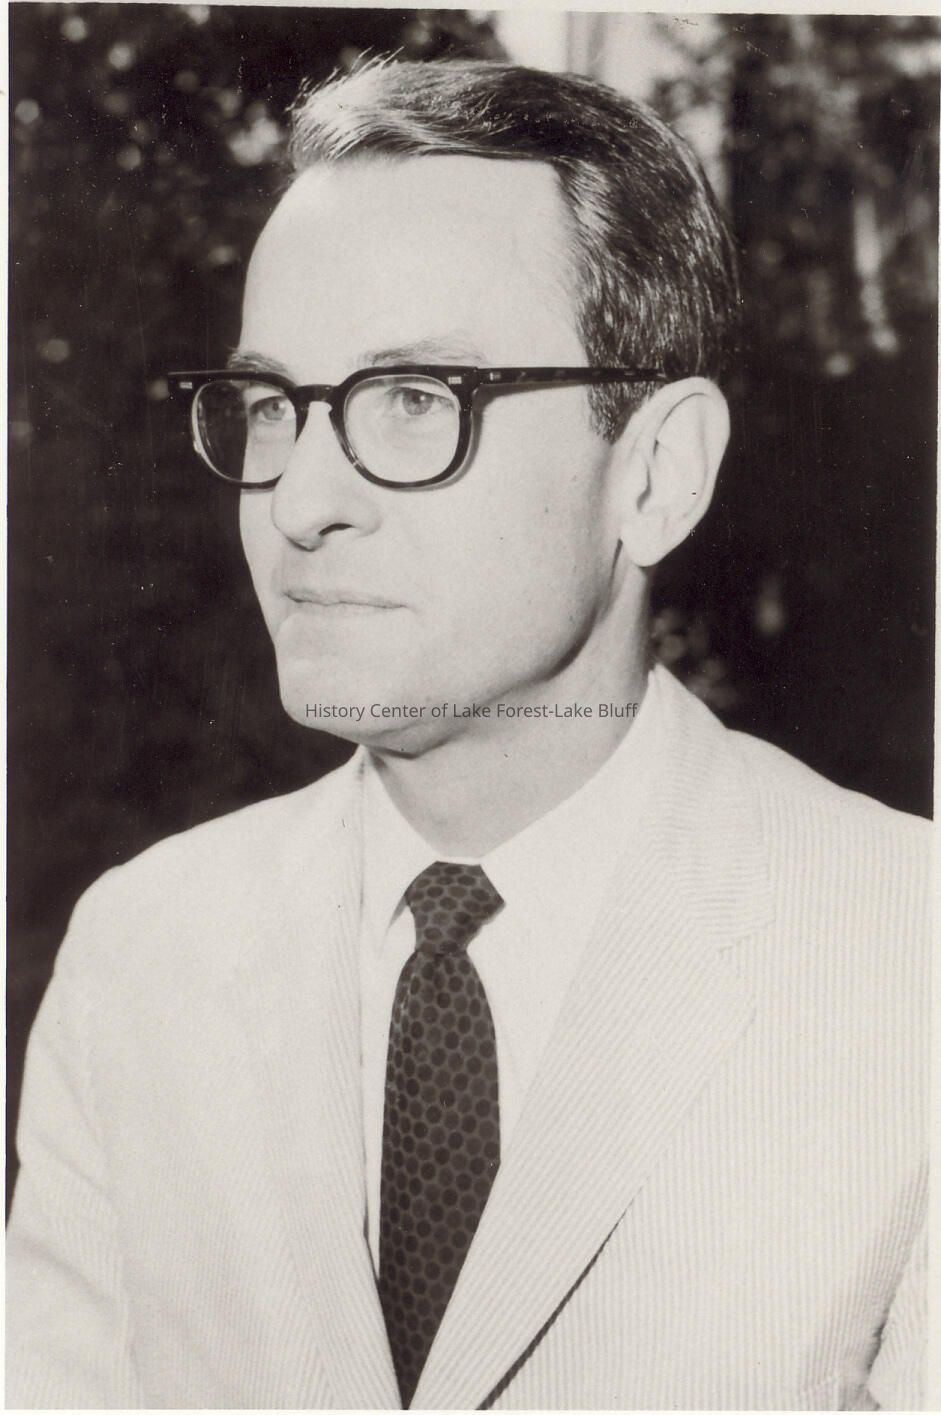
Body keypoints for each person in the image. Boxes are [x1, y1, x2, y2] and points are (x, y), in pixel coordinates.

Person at [6, 58, 928, 1411]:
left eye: (416, 400)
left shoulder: (906, 962)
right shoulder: (141, 952)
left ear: (655, 472)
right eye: (272, 407)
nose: (300, 501)